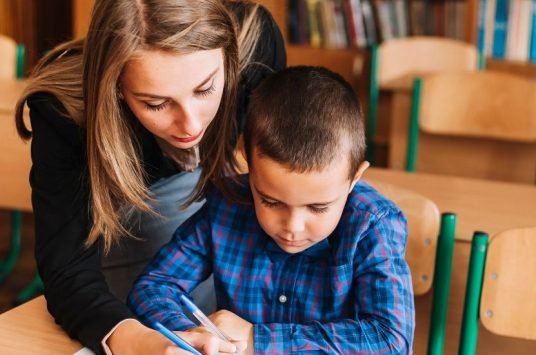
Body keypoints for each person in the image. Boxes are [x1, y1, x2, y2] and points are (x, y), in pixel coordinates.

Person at [14, 0, 285, 353]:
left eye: (205, 89)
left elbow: (283, 170)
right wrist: (140, 342)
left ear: (230, 57)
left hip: (216, 213)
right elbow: (68, 269)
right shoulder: (64, 111)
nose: (191, 124)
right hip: (125, 234)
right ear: (115, 87)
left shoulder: (256, 42)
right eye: (156, 104)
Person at [128, 66, 415, 353]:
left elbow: (391, 341)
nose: (293, 225)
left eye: (318, 207)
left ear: (354, 178)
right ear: (249, 166)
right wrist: (196, 337)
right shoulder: (228, 205)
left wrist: (258, 340)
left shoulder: (373, 224)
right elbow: (153, 287)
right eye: (271, 202)